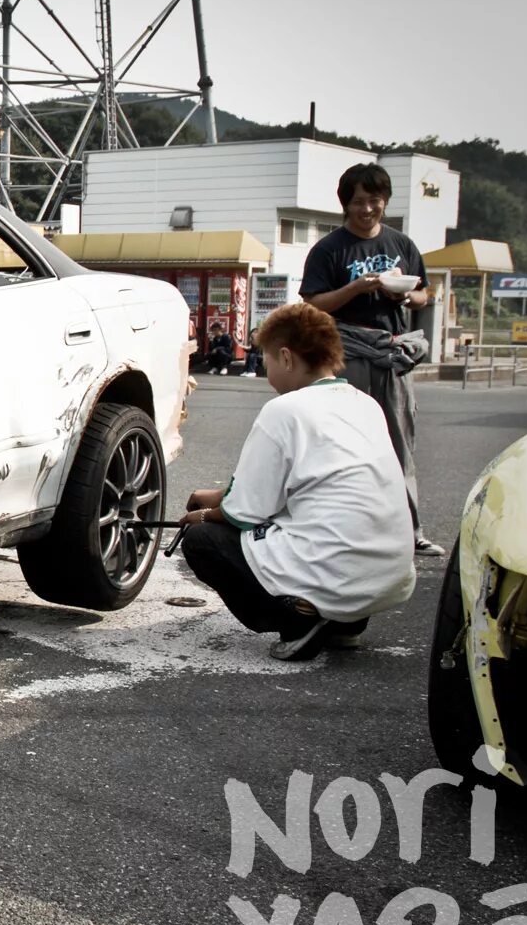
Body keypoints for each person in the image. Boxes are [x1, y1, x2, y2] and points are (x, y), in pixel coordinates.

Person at [177, 302, 416, 661]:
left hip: (332, 569)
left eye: (267, 359)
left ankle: (297, 621)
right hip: (389, 574)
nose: (267, 370)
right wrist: (213, 496)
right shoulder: (364, 403)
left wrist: (203, 516)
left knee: (202, 541)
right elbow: (307, 484)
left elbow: (246, 511)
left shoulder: (285, 409)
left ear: (286, 357)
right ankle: (344, 623)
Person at [299, 162, 441, 556]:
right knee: (343, 442)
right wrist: (354, 288)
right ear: (346, 204)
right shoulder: (329, 249)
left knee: (399, 442)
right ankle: (342, 528)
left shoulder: (402, 244)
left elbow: (422, 295)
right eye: (358, 201)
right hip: (346, 353)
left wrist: (403, 295)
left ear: (385, 201)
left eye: (373, 200)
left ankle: (410, 531)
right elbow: (313, 303)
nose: (366, 209)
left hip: (393, 353)